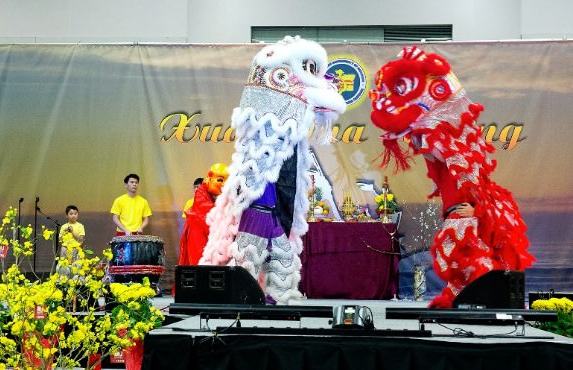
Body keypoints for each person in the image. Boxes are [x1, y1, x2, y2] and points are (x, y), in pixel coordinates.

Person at [369, 46, 534, 308]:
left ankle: (478, 306)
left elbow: (473, 185)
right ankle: (472, 305)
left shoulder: (455, 153)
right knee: (462, 269)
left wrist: (478, 211)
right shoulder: (444, 151)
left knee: (466, 266)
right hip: (461, 213)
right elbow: (421, 137)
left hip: (463, 215)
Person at [198, 36, 346, 305]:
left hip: (272, 212)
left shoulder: (289, 142)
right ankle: (246, 297)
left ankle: (278, 299)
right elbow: (324, 101)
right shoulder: (263, 128)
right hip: (257, 211)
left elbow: (328, 103)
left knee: (282, 258)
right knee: (249, 257)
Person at [178, 165, 228, 265]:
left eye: (227, 182)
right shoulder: (200, 194)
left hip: (210, 239)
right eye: (220, 180)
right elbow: (209, 213)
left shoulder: (219, 196)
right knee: (200, 264)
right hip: (198, 234)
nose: (223, 184)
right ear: (209, 178)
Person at [57, 205, 86, 282]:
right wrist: (65, 232)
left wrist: (72, 232)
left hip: (76, 248)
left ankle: (76, 282)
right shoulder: (64, 226)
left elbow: (80, 240)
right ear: (67, 215)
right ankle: (64, 282)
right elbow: (60, 239)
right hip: (65, 248)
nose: (73, 216)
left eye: (75, 213)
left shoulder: (80, 226)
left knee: (76, 267)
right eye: (71, 214)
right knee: (64, 267)